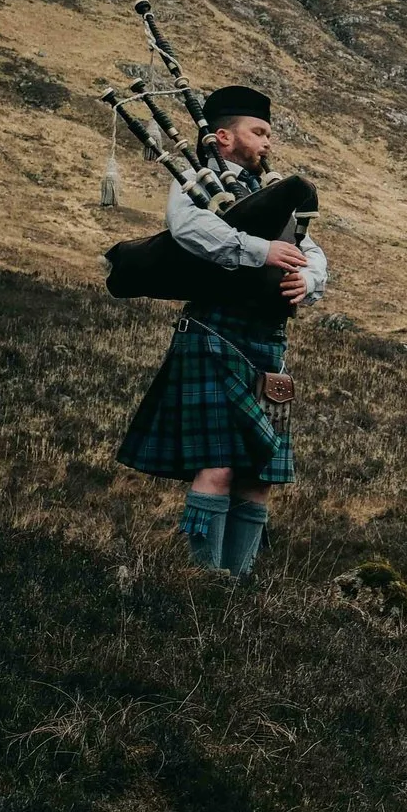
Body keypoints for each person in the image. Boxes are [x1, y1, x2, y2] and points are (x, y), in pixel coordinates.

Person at [116, 85, 326, 577]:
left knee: (260, 475)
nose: (267, 142)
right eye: (259, 132)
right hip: (214, 332)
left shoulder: (271, 193)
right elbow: (187, 229)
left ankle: (239, 584)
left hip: (267, 340)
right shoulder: (194, 179)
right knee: (219, 466)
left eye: (270, 133)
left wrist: (308, 278)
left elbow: (311, 247)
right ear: (223, 137)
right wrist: (262, 252)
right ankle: (203, 581)